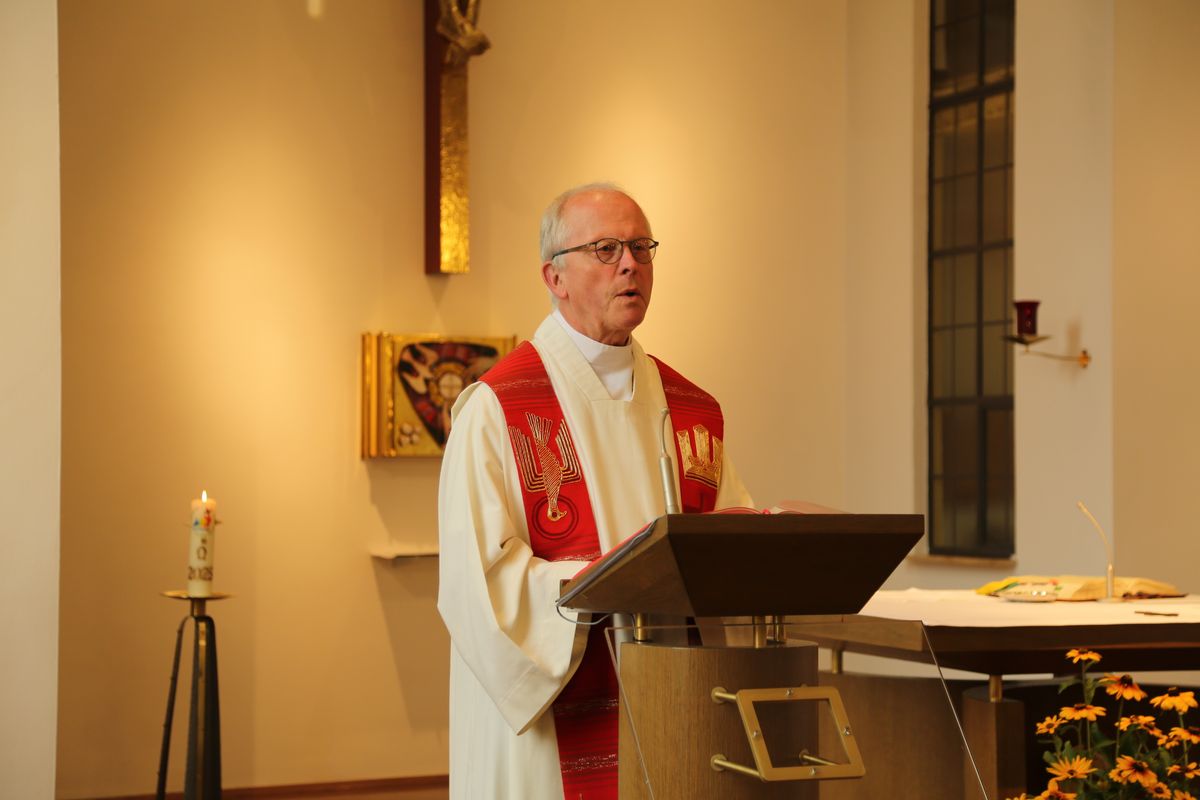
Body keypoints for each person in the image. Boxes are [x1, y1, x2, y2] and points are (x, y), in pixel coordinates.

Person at [437, 183, 753, 799]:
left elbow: (730, 545)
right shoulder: (498, 408)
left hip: (673, 700)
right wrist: (608, 585)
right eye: (606, 249)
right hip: (558, 718)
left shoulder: (691, 410)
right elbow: (478, 583)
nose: (629, 263)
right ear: (553, 277)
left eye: (641, 247)